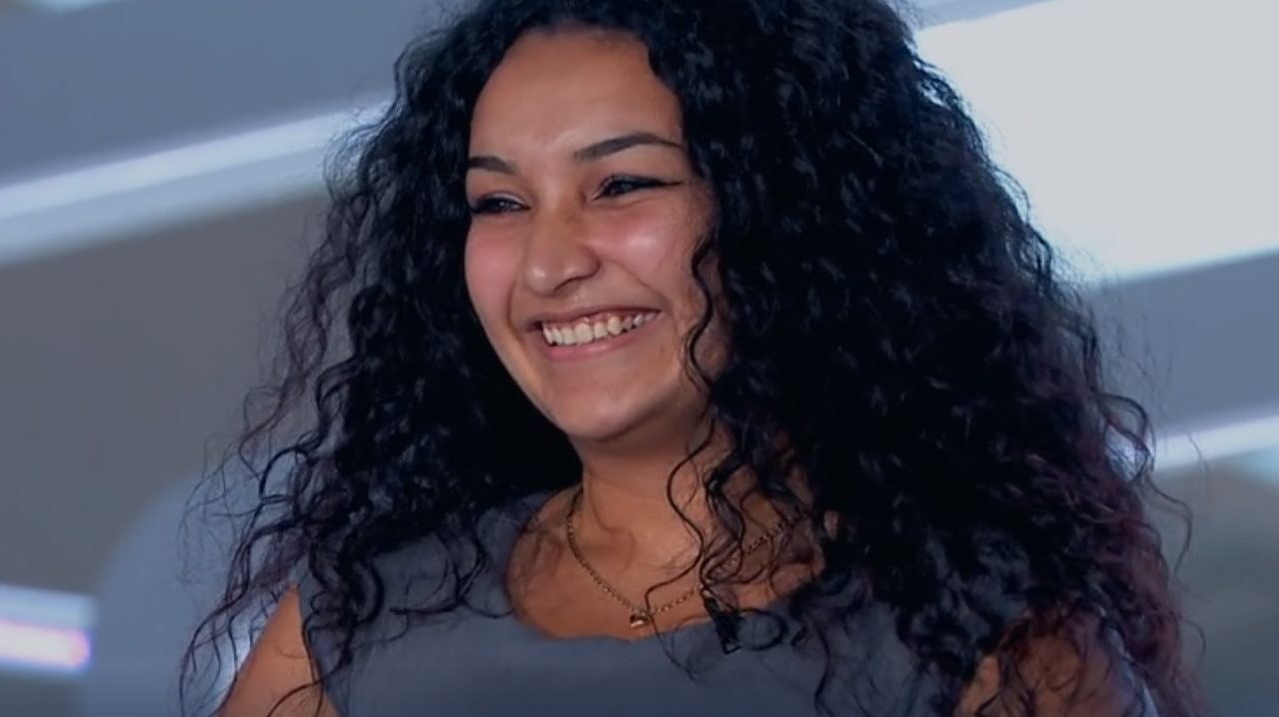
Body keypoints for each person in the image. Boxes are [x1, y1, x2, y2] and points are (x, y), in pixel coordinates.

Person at [183, 0, 1200, 715]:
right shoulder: (357, 620)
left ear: (788, 214)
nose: (548, 263)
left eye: (622, 186)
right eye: (499, 202)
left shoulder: (985, 641)